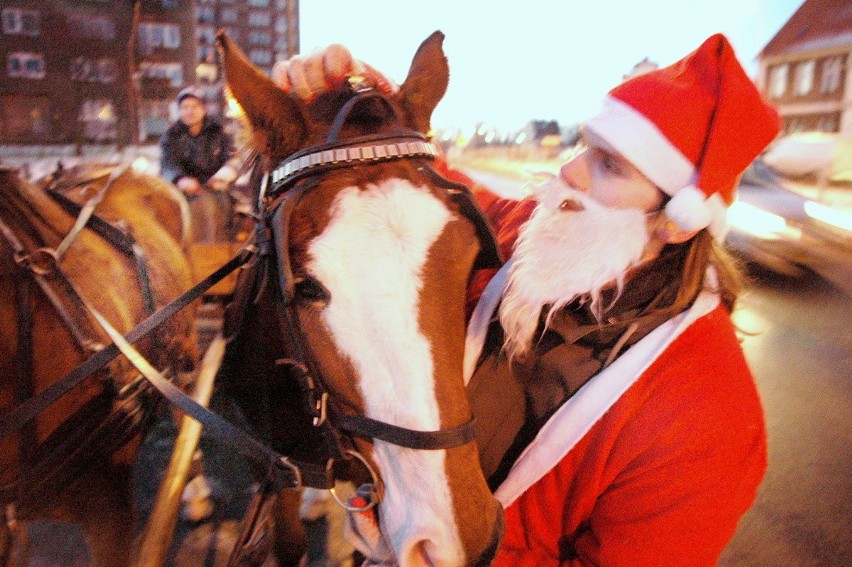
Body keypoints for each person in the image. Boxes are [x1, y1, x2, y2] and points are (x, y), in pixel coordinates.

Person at [272, 33, 780, 566]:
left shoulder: (711, 417)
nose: (569, 172)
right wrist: (363, 100)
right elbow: (416, 195)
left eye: (609, 166)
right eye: (586, 147)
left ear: (677, 222)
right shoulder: (519, 237)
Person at [160, 86, 239, 243]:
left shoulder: (219, 132)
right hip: (184, 191)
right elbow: (168, 164)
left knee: (220, 212)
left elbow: (232, 158)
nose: (189, 111)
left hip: (215, 189)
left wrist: (223, 175)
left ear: (203, 109)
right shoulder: (171, 135)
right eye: (184, 107)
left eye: (194, 106)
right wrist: (180, 179)